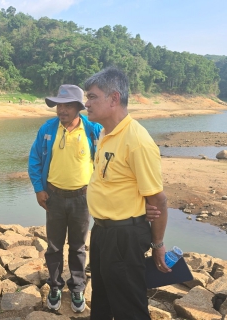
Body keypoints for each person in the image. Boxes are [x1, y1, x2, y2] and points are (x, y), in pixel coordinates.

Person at [84, 66, 169, 320]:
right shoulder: (105, 132)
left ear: (114, 99)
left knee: (129, 307)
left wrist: (158, 244)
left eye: (92, 97)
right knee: (102, 300)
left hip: (124, 237)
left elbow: (158, 200)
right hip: (102, 232)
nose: (86, 103)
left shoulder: (137, 141)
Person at [28, 84, 102, 313]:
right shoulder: (48, 129)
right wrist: (39, 189)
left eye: (67, 105)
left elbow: (107, 163)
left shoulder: (93, 130)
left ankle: (77, 286)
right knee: (53, 245)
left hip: (83, 199)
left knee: (79, 246)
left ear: (79, 107)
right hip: (54, 197)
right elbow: (34, 160)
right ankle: (55, 285)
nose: (62, 110)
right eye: (59, 105)